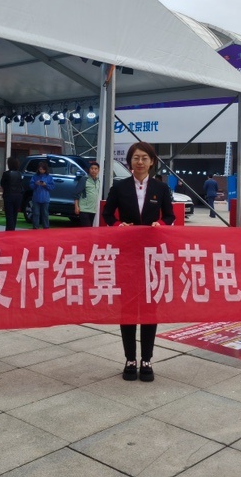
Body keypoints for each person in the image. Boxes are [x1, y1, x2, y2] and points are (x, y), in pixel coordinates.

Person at [102, 141, 175, 383]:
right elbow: (107, 214)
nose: (140, 162)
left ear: (152, 161)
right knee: (128, 307)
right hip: (127, 255)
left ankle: (147, 360)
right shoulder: (119, 187)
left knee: (150, 307)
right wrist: (117, 225)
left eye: (144, 158)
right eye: (136, 158)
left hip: (152, 256)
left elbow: (170, 216)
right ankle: (130, 359)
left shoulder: (160, 188)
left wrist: (160, 225)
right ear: (130, 162)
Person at [0, 156, 23, 232]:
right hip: (18, 195)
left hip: (8, 195)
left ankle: (9, 230)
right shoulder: (19, 174)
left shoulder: (6, 174)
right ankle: (13, 229)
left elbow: (2, 183)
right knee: (14, 215)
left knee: (9, 215)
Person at [74, 161, 101, 226]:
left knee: (89, 228)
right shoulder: (84, 179)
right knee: (87, 227)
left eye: (95, 169)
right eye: (92, 168)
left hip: (93, 210)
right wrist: (76, 207)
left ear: (98, 170)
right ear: (89, 169)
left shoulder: (98, 181)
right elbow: (76, 193)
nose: (93, 170)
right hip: (84, 209)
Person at [29, 161, 54, 229]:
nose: (41, 170)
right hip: (36, 198)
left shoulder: (49, 177)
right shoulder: (35, 176)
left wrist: (45, 185)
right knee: (36, 213)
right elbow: (31, 186)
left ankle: (46, 227)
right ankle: (35, 227)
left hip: (45, 199)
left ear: (45, 169)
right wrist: (36, 184)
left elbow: (52, 187)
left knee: (45, 214)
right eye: (40, 169)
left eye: (42, 169)